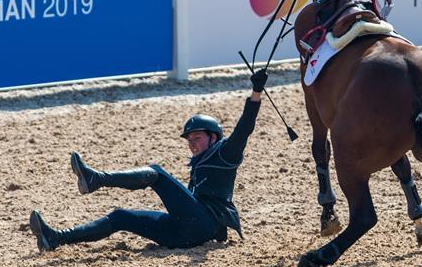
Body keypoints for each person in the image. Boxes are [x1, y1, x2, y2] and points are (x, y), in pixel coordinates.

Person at [29, 69, 269, 252]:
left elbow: (245, 127)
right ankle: (56, 238)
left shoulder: (226, 153)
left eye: (197, 137)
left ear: (213, 136)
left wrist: (256, 93)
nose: (192, 142)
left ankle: (96, 179)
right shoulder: (199, 162)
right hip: (182, 233)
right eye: (189, 139)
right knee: (121, 216)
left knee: (155, 173)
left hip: (204, 225)